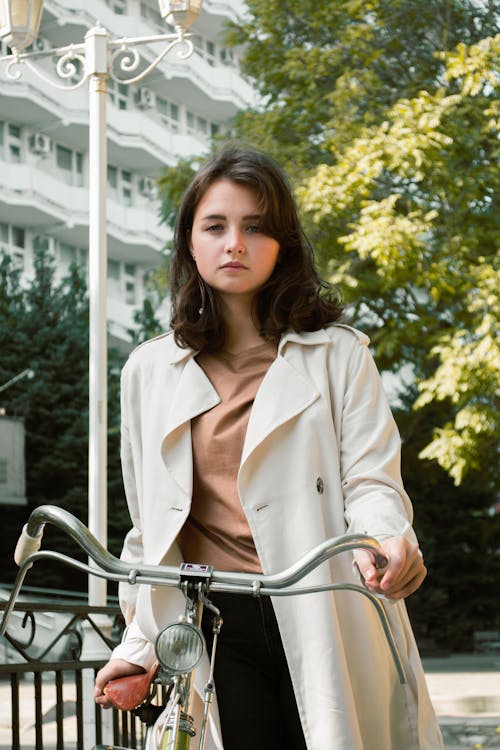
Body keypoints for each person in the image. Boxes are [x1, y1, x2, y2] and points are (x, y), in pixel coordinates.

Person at [94, 144, 444, 750]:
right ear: (189, 243)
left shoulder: (339, 354)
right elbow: (151, 529)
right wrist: (138, 646)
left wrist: (389, 537)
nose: (235, 243)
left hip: (324, 610)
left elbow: (371, 480)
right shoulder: (146, 371)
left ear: (283, 244)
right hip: (211, 626)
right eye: (216, 226)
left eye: (255, 227)